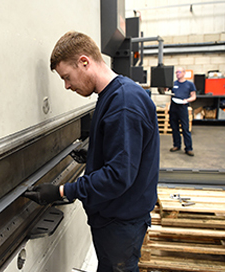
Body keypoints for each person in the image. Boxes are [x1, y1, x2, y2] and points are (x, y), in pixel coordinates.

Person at [24, 31, 160, 272]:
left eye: (67, 76)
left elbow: (118, 176)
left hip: (121, 223)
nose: (66, 86)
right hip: (115, 218)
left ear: (84, 62)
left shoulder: (124, 105)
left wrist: (62, 191)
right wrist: (94, 155)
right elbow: (126, 156)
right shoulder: (115, 94)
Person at [168, 67, 196, 156]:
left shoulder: (189, 84)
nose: (177, 74)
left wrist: (186, 100)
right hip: (173, 107)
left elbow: (193, 96)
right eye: (176, 72)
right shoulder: (173, 84)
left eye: (179, 72)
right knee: (174, 127)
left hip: (183, 107)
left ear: (184, 73)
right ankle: (176, 145)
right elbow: (165, 91)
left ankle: (188, 148)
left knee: (185, 128)